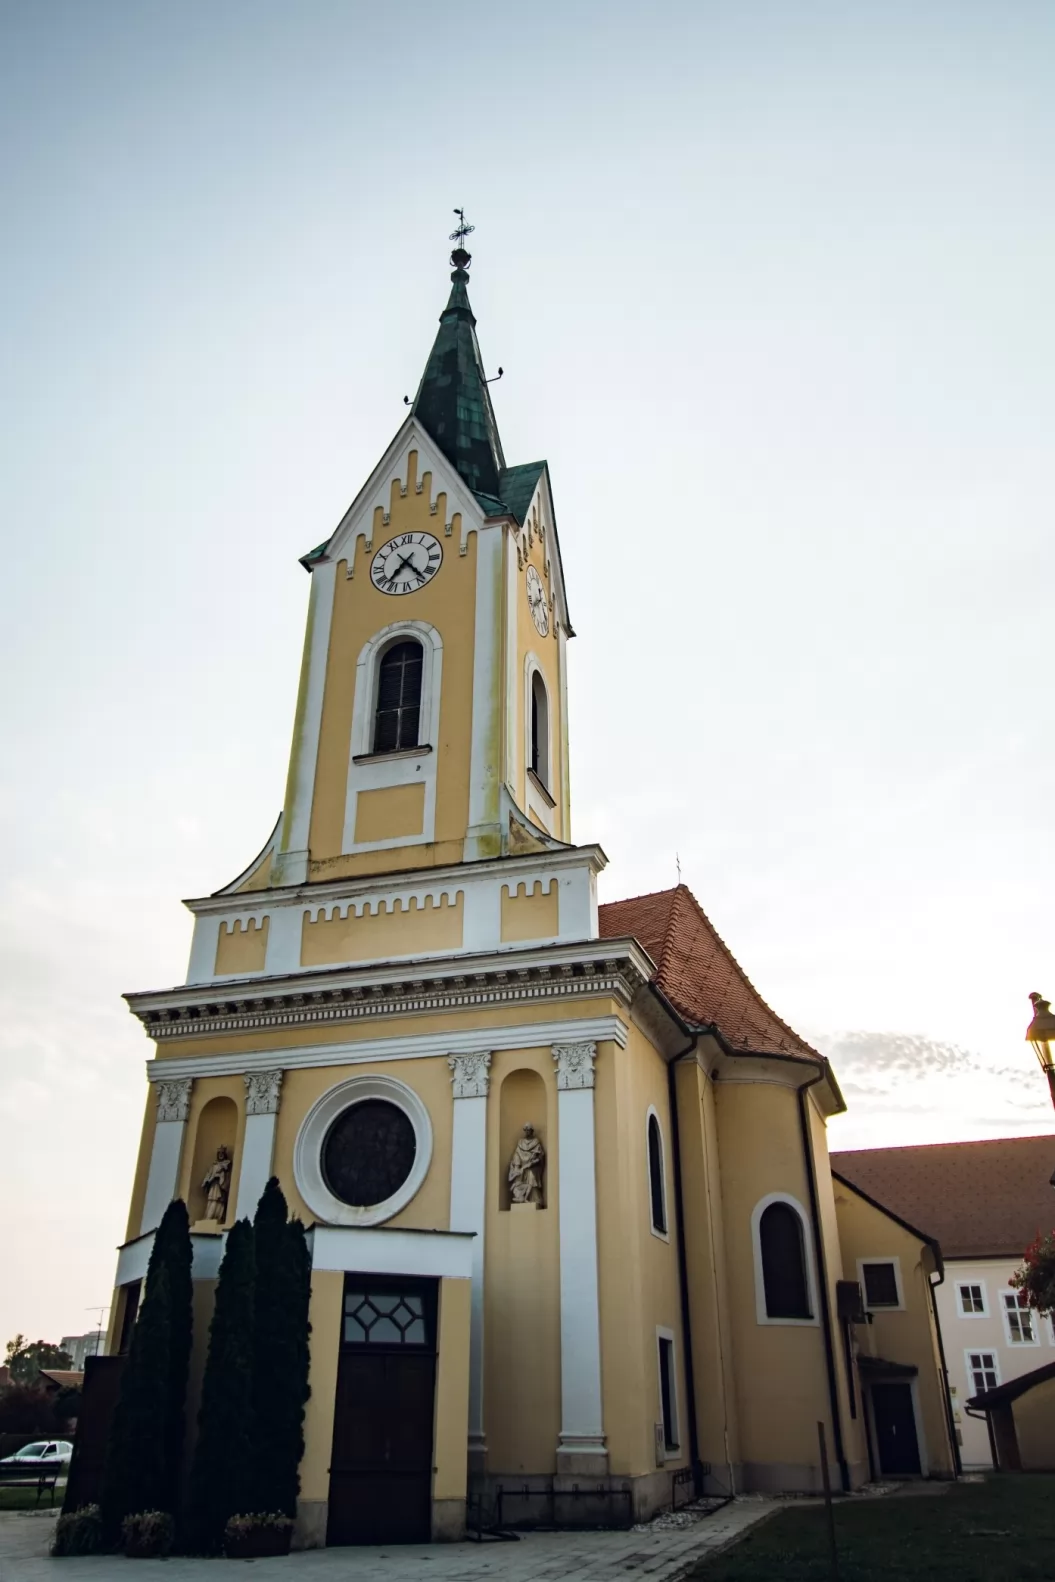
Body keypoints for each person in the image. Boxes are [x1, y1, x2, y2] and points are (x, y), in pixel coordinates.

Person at [508, 1123, 545, 1205]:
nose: (527, 1132)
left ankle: (533, 1199)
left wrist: (531, 1163)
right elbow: (516, 1154)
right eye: (526, 1130)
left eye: (529, 1130)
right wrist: (517, 1165)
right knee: (518, 1175)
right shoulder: (521, 1142)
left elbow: (540, 1156)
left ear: (532, 1131)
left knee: (531, 1176)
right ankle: (520, 1197)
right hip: (522, 1165)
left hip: (533, 1166)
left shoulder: (536, 1142)